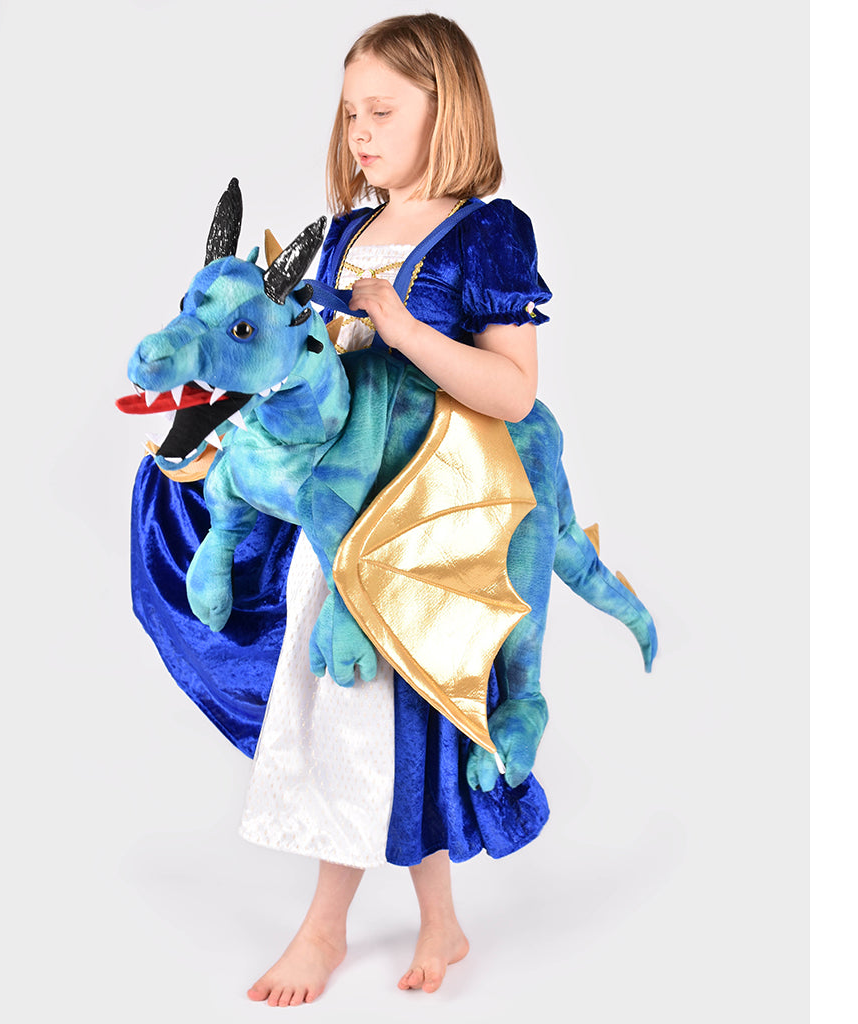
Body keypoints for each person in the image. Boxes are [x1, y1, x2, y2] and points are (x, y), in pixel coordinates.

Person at [237, 13, 553, 1007]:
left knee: (394, 715)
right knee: (369, 717)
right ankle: (434, 920)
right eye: (349, 114)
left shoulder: (487, 234)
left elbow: (513, 392)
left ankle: (326, 928)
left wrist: (406, 329)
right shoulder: (342, 234)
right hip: (340, 517)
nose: (360, 132)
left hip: (427, 524)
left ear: (444, 109)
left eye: (382, 111)